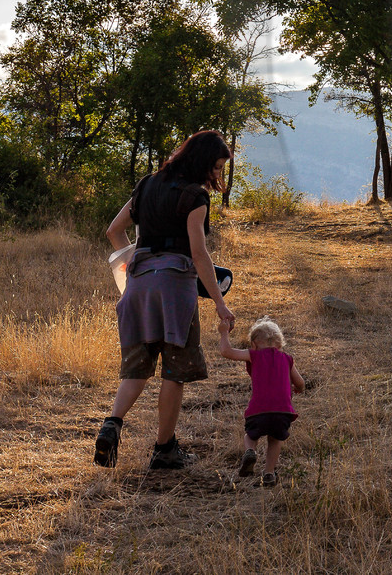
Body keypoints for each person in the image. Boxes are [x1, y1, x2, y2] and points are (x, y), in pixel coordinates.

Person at [93, 130, 235, 470]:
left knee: (137, 368)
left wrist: (135, 261)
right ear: (202, 162)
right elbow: (199, 255)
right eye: (216, 167)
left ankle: (111, 424)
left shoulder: (147, 185)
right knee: (175, 371)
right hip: (175, 291)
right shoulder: (195, 197)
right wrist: (219, 302)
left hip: (138, 286)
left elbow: (113, 231)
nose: (217, 175)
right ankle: (164, 449)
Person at [217, 315, 304, 487]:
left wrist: (224, 333)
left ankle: (250, 451)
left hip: (259, 410)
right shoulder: (287, 359)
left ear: (254, 345)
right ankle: (269, 473)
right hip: (283, 411)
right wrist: (298, 389)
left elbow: (226, 352)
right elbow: (300, 382)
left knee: (251, 435)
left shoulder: (254, 355)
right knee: (275, 439)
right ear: (279, 345)